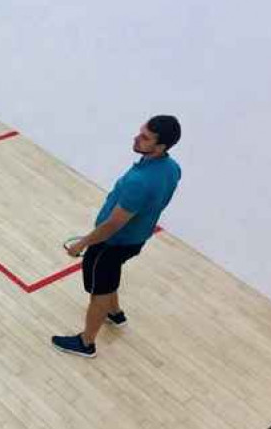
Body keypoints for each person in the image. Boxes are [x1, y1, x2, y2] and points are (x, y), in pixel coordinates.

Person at [52, 115, 182, 358]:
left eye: (145, 137)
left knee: (99, 291)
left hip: (111, 243)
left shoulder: (140, 181)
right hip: (137, 238)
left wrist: (82, 243)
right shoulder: (172, 168)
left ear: (161, 146)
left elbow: (113, 224)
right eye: (140, 132)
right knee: (110, 276)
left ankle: (86, 342)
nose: (137, 138)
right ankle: (115, 313)